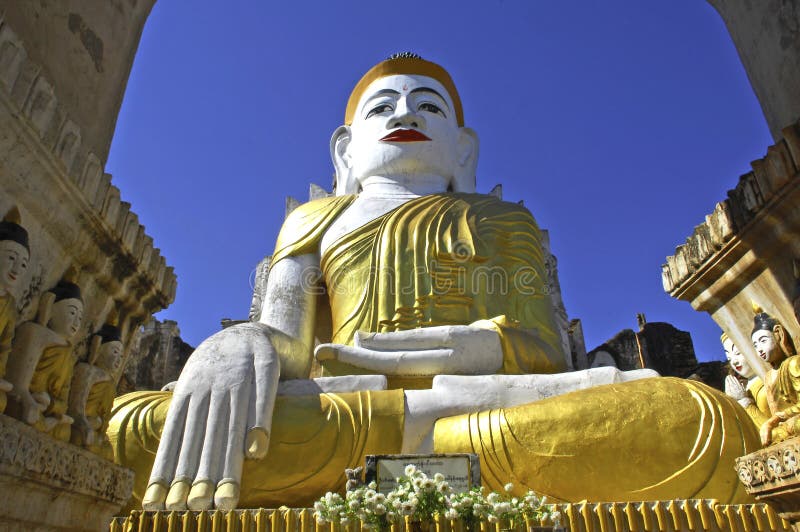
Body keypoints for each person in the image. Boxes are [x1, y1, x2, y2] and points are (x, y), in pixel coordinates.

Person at [111, 54, 759, 512]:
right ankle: (429, 435)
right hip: (349, 410)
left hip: (486, 403)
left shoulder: (501, 219)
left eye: (428, 106)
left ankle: (415, 435)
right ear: (345, 150)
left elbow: (542, 348)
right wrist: (235, 346)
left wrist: (459, 349)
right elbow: (290, 349)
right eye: (382, 107)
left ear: (463, 149)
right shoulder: (314, 220)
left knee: (701, 418)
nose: (405, 112)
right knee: (129, 429)